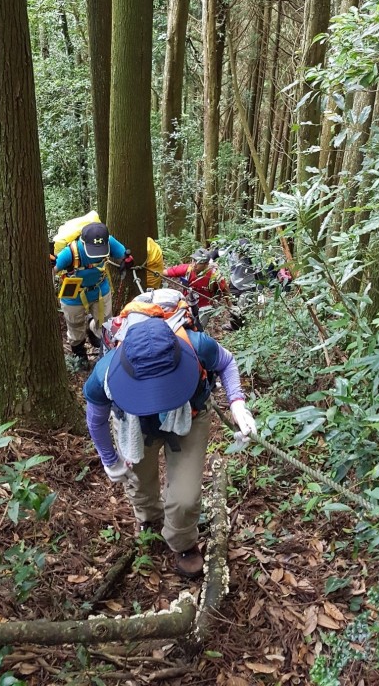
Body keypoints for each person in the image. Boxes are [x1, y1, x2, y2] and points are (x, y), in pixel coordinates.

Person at [83, 290, 256, 578]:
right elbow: (96, 419)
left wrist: (238, 404)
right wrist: (109, 459)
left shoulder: (196, 345)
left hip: (191, 415)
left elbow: (226, 362)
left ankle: (182, 539)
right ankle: (149, 518)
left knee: (185, 497)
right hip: (134, 423)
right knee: (138, 479)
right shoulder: (105, 372)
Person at [53, 221, 131, 366]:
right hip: (74, 294)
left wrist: (126, 261)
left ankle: (97, 337)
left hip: (100, 289)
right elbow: (53, 269)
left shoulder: (109, 241)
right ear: (83, 242)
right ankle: (79, 353)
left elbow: (123, 254)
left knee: (105, 323)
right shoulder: (70, 252)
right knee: (75, 325)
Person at [164, 247, 229, 328]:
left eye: (198, 263)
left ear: (206, 264)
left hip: (204, 309)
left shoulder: (214, 275)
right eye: (193, 260)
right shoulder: (187, 269)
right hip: (186, 305)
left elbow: (225, 290)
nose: (194, 264)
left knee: (198, 328)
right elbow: (166, 272)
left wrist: (231, 306)